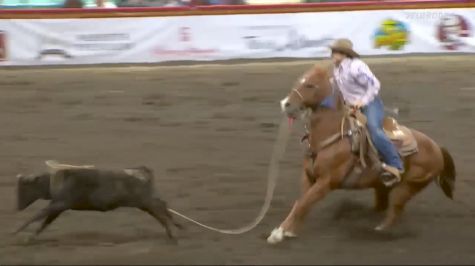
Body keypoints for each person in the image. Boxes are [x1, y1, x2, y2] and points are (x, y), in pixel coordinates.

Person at [328, 38, 403, 186]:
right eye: (332, 52)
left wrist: (362, 102)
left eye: (335, 52)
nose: (332, 55)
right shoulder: (336, 69)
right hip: (349, 106)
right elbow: (336, 89)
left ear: (344, 54)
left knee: (374, 130)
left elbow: (375, 84)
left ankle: (396, 165)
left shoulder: (356, 67)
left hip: (370, 103)